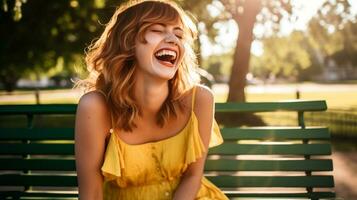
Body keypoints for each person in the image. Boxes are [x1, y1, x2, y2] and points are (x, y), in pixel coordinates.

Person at [74, 0, 228, 199]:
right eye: (158, 30)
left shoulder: (199, 100)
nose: (173, 39)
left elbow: (193, 176)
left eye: (179, 34)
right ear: (128, 41)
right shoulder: (95, 107)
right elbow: (91, 194)